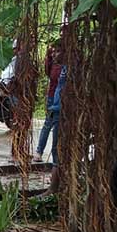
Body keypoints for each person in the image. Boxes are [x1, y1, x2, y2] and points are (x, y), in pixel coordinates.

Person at [34, 43, 63, 162]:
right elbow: (47, 73)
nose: (56, 54)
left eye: (58, 51)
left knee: (57, 127)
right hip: (53, 98)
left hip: (62, 98)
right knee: (48, 123)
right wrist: (48, 57)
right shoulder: (54, 64)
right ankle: (39, 151)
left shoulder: (65, 65)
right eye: (55, 51)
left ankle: (56, 156)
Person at [42, 65, 67, 196]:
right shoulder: (61, 68)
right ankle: (55, 186)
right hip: (56, 109)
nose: (55, 54)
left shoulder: (69, 67)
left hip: (62, 110)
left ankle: (54, 187)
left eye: (58, 50)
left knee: (57, 149)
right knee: (56, 149)